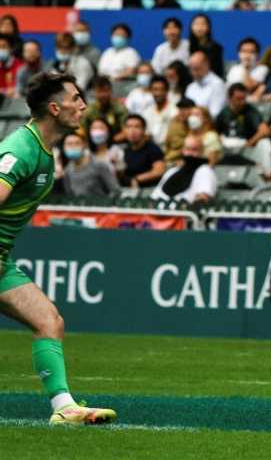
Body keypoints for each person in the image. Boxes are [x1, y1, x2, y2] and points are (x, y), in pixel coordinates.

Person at [0, 72, 117, 425]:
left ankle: (64, 409)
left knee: (48, 320)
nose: (83, 105)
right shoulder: (21, 148)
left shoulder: (44, 151)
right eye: (76, 98)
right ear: (55, 108)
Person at [215, 83, 271, 167]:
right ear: (230, 98)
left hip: (245, 144)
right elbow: (214, 131)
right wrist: (220, 139)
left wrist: (248, 143)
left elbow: (265, 130)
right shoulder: (223, 112)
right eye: (238, 99)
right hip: (226, 145)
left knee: (265, 143)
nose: (242, 102)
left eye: (244, 98)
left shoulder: (250, 111)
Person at [57, 132, 119, 196]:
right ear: (64, 147)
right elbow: (69, 195)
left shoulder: (99, 164)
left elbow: (115, 190)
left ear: (84, 145)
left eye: (77, 143)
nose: (73, 146)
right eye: (69, 144)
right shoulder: (67, 170)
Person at [120, 114, 166, 189]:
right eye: (129, 127)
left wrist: (136, 179)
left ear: (143, 130)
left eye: (137, 127)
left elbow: (159, 171)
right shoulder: (124, 149)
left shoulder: (152, 148)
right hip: (127, 189)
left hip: (148, 189)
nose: (132, 131)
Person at [81, 76, 127, 141]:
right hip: (94, 144)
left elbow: (126, 132)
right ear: (95, 93)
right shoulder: (89, 111)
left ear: (111, 91)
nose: (103, 95)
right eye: (99, 91)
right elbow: (82, 132)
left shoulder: (120, 109)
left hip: (116, 143)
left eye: (106, 91)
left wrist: (108, 142)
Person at [184, 51, 227, 119]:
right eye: (191, 69)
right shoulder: (190, 87)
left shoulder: (217, 85)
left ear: (207, 65)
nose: (194, 73)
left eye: (197, 69)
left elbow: (215, 114)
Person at [141, 76, 176, 147]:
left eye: (162, 90)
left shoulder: (175, 111)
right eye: (155, 90)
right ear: (151, 91)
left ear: (167, 91)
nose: (158, 93)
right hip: (150, 150)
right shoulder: (146, 111)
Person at [188, 14, 225, 80]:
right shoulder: (187, 46)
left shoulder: (216, 48)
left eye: (202, 24)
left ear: (208, 27)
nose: (199, 27)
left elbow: (218, 71)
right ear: (191, 27)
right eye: (196, 24)